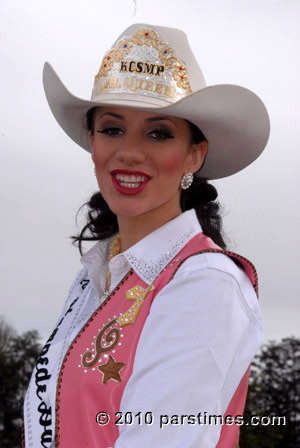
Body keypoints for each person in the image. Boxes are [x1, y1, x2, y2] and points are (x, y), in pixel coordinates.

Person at [23, 23, 270, 448]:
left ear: (195, 153)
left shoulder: (204, 282)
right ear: (92, 142)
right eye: (113, 129)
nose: (130, 152)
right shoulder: (93, 277)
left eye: (158, 133)